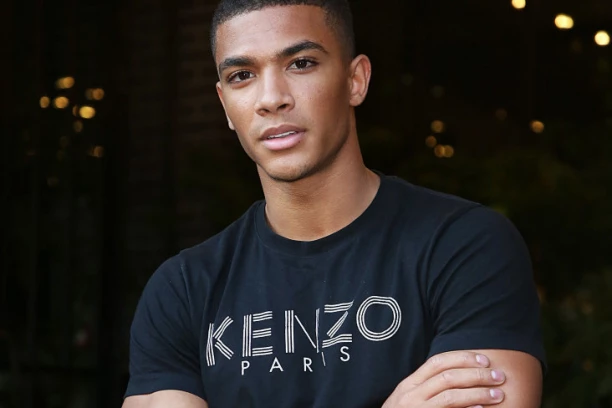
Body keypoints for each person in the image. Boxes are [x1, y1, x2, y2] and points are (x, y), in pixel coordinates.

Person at [122, 1, 546, 407]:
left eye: (301, 63)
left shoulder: (463, 246)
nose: (271, 98)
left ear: (355, 80)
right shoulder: (183, 290)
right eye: (242, 75)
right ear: (225, 106)